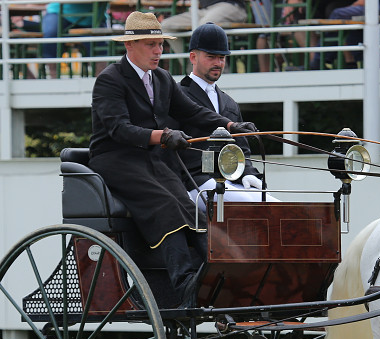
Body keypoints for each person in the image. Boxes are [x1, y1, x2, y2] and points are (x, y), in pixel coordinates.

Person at [89, 11, 257, 307]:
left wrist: (230, 126)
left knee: (191, 209)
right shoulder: (110, 80)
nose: (158, 52)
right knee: (167, 206)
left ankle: (214, 275)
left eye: (161, 45)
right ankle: (184, 283)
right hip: (116, 160)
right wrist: (162, 136)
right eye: (151, 45)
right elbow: (118, 129)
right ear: (130, 46)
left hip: (152, 161)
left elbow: (192, 112)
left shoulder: (163, 79)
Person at [171, 23, 270, 209]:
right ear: (193, 56)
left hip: (231, 180)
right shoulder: (177, 95)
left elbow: (242, 149)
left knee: (273, 202)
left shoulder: (230, 103)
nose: (218, 63)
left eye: (222, 58)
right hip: (193, 182)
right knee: (257, 206)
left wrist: (248, 172)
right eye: (211, 57)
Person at [162, 0, 248, 57]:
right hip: (204, 10)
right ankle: (193, 68)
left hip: (230, 5)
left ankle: (219, 71)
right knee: (166, 26)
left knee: (204, 25)